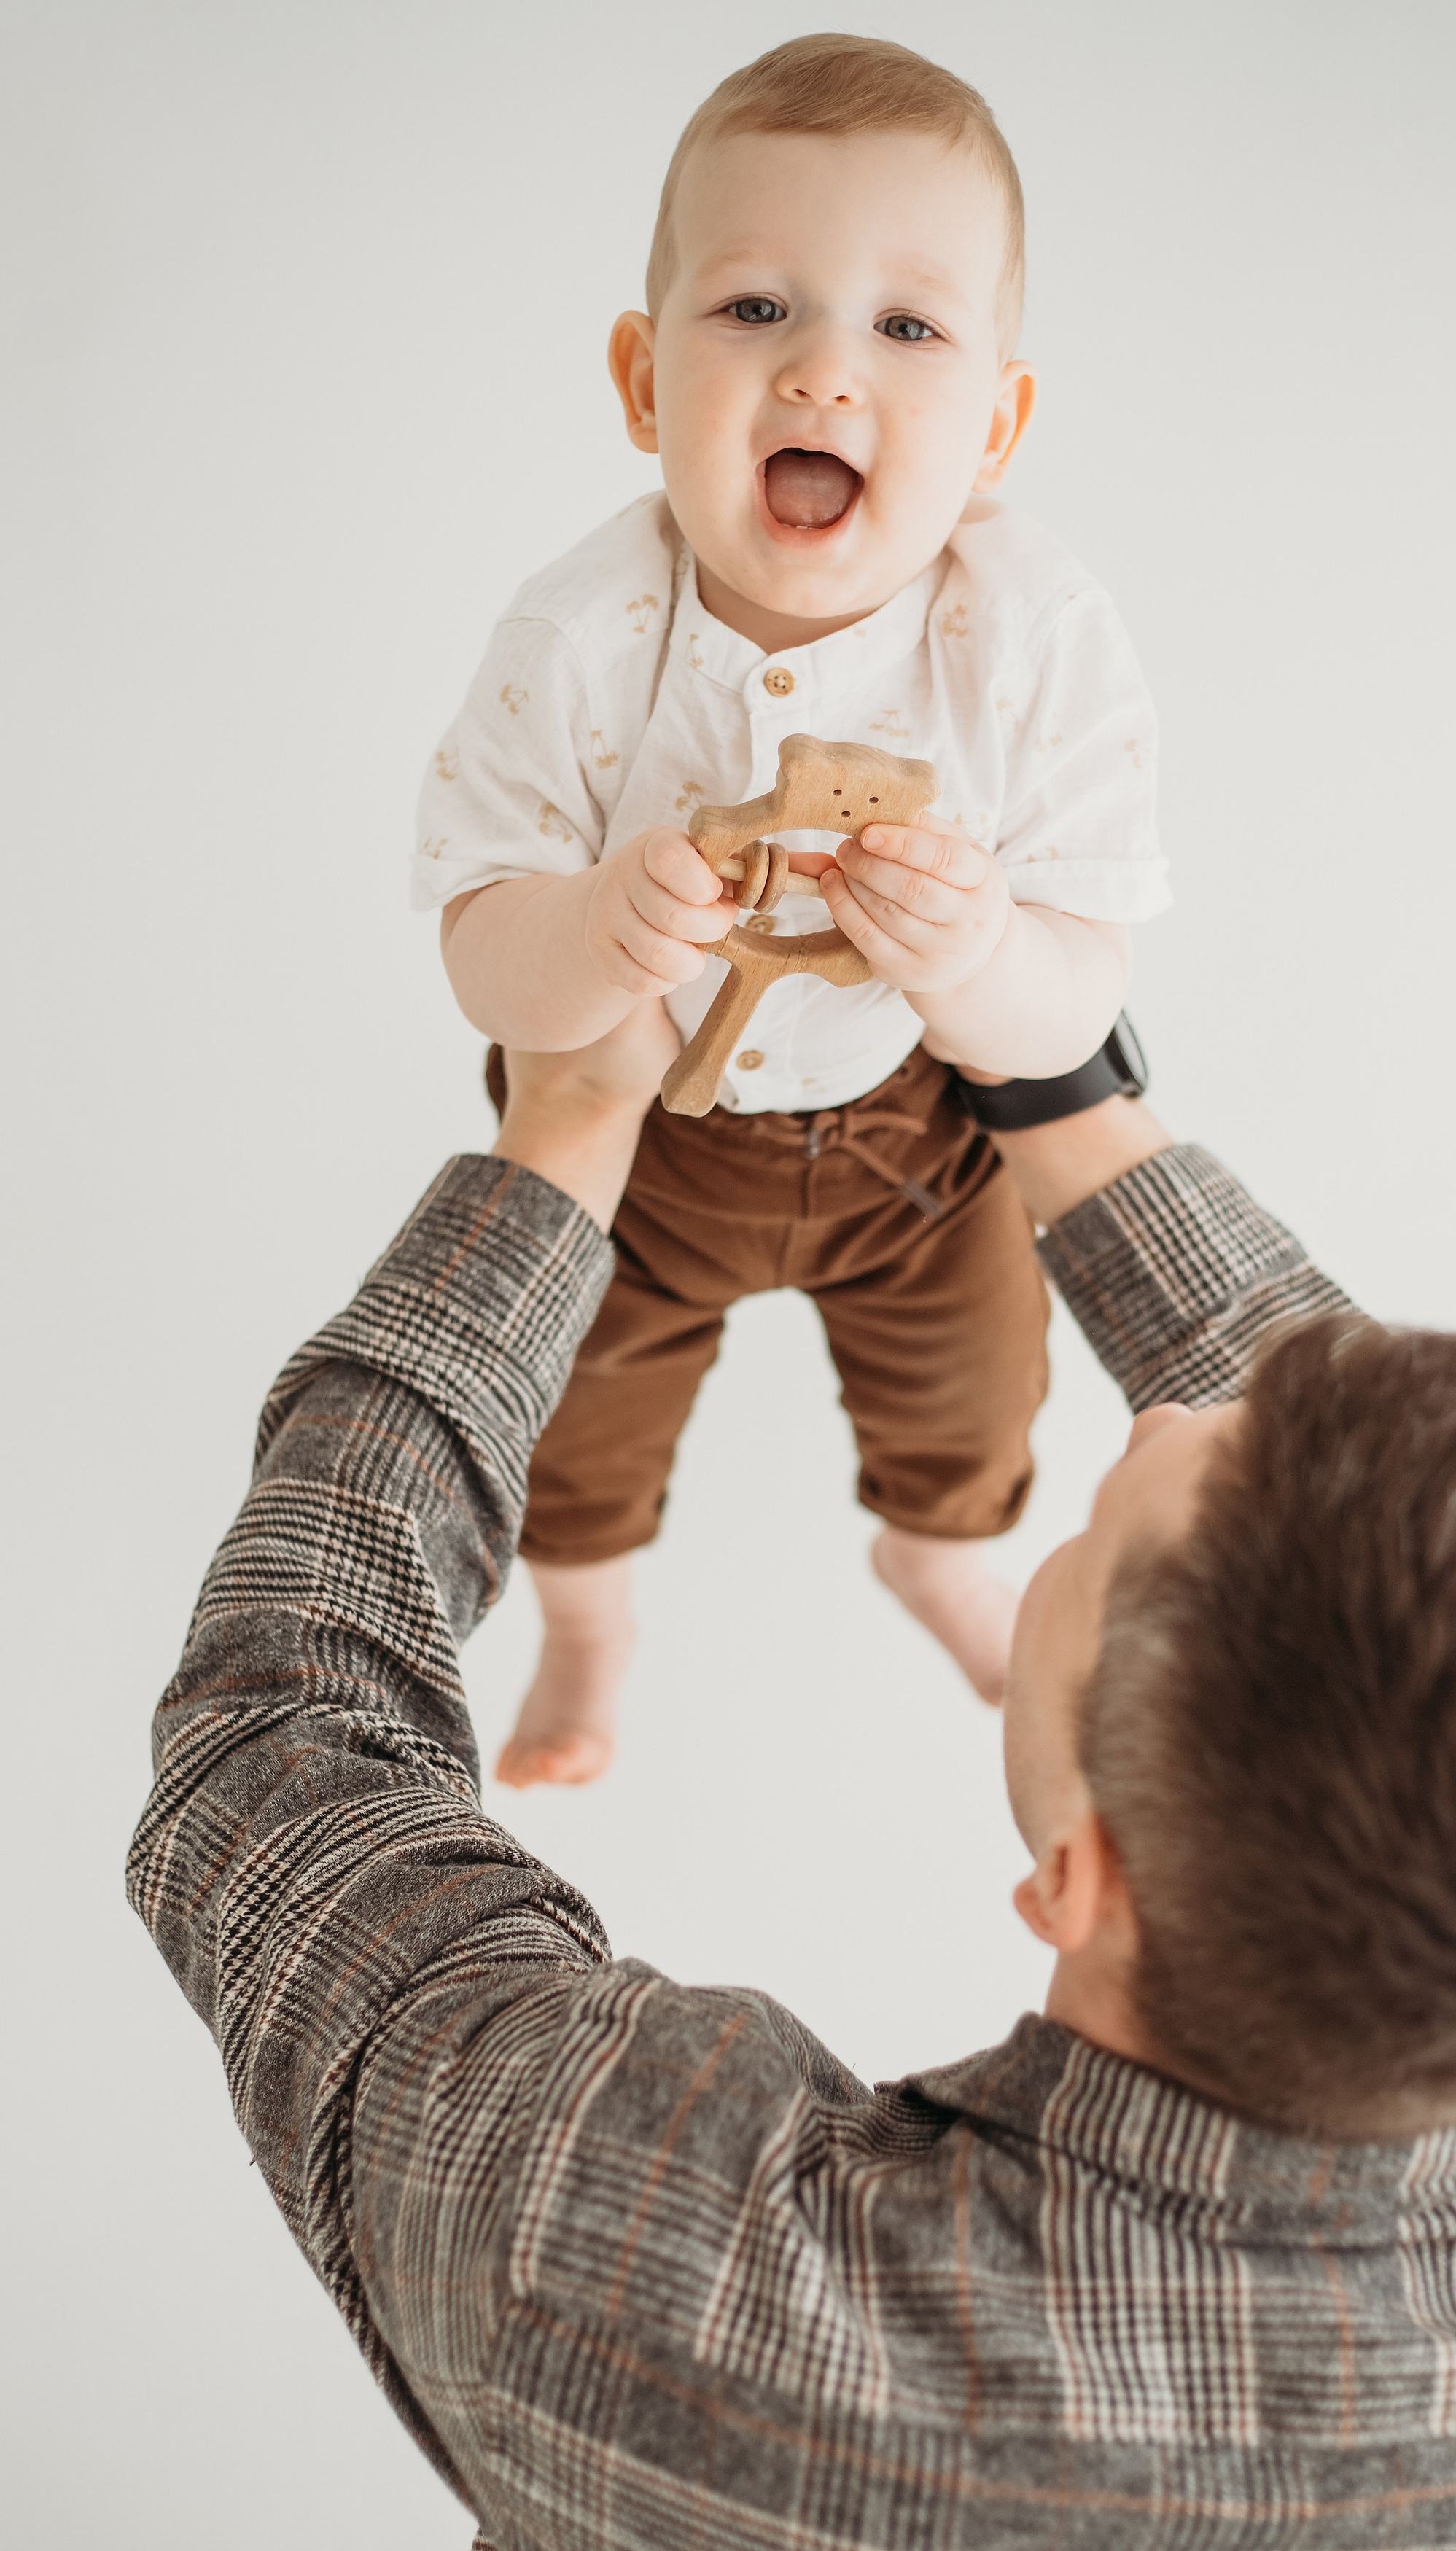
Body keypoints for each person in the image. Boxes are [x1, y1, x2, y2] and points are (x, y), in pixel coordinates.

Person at [132, 1005, 1456, 2551]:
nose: (1165, 1410)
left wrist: (562, 1126)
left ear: (1081, 1875)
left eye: (1096, 1540)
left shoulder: (677, 2272)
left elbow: (280, 1738)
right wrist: (1055, 1076)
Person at [416, 34, 1169, 1785]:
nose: (824, 368)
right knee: (570, 1421)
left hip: (918, 1138)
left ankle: (941, 1557)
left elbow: (1077, 1000)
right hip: (639, 1149)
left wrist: (981, 952)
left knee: (976, 1387)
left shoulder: (1031, 640)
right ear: (641, 379)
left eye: (905, 326)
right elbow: (478, 936)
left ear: (994, 427)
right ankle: (588, 1627)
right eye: (754, 308)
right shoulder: (577, 639)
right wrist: (590, 934)